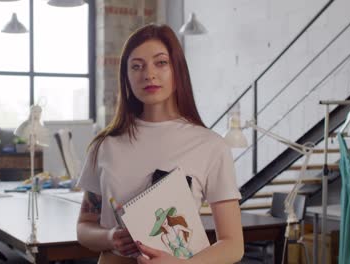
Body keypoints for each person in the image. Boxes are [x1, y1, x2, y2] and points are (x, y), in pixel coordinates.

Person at [76, 23, 244, 264]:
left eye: (161, 63)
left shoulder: (211, 146)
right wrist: (110, 237)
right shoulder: (105, 145)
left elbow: (233, 244)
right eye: (137, 66)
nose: (149, 74)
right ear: (127, 78)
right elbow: (84, 227)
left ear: (177, 70)